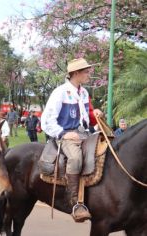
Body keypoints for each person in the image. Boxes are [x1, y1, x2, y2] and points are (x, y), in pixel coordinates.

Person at [41, 58, 103, 222]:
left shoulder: (84, 92)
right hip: (66, 135)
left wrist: (95, 113)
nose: (89, 74)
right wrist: (63, 134)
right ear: (75, 73)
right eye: (86, 72)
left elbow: (88, 116)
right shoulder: (60, 92)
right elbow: (46, 120)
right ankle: (74, 201)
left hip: (85, 134)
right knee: (75, 158)